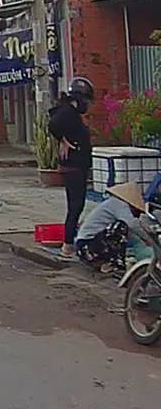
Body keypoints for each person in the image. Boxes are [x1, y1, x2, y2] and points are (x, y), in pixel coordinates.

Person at [48, 77, 95, 259]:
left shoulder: (70, 113)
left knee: (76, 205)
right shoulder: (67, 112)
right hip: (74, 167)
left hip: (78, 165)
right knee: (75, 206)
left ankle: (70, 241)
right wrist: (62, 140)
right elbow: (53, 125)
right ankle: (68, 245)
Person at [75, 182, 147, 272]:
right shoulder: (118, 204)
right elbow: (132, 224)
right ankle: (111, 263)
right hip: (86, 247)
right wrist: (148, 238)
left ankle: (104, 262)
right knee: (120, 227)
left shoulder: (113, 203)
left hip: (89, 245)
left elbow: (133, 233)